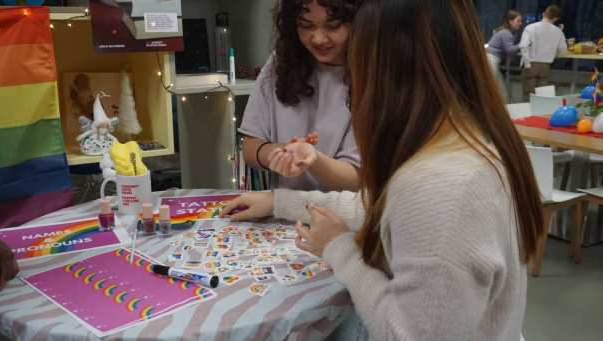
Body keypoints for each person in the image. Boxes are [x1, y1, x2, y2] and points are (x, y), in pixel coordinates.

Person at [221, 0, 543, 339]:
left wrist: (340, 249)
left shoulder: (440, 185)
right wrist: (279, 202)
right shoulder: (461, 143)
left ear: (389, 71)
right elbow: (379, 207)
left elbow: (404, 333)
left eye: (357, 65)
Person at [239, 0, 362, 192]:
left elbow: (356, 178)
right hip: (282, 212)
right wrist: (281, 153)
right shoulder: (280, 64)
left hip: (339, 216)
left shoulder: (373, 76)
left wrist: (310, 159)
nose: (318, 39)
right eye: (306, 25)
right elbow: (250, 147)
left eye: (333, 26)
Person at [519, 4, 567, 100]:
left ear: (544, 13)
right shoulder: (558, 32)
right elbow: (563, 50)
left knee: (528, 97)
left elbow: (523, 46)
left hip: (531, 64)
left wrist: (527, 64)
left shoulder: (531, 27)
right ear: (556, 18)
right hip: (546, 66)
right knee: (541, 97)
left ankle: (527, 114)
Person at [486, 10, 523, 101]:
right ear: (510, 21)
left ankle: (501, 108)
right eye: (518, 21)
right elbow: (509, 50)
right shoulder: (506, 33)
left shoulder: (504, 31)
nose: (520, 23)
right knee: (491, 87)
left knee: (501, 90)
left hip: (492, 60)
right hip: (491, 60)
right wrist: (522, 44)